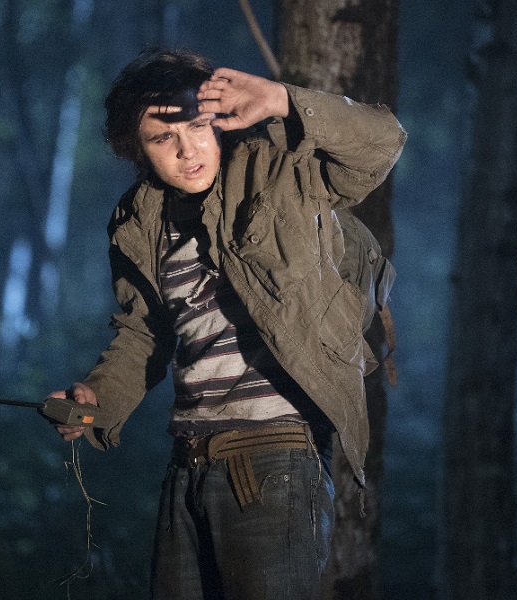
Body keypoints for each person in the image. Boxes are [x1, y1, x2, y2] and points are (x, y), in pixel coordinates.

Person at [48, 47, 406, 599]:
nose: (186, 150)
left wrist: (281, 99)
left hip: (276, 456)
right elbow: (143, 332)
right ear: (137, 150)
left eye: (196, 126)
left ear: (217, 121)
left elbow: (383, 141)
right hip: (187, 465)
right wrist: (97, 398)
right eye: (162, 139)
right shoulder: (138, 221)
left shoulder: (279, 169)